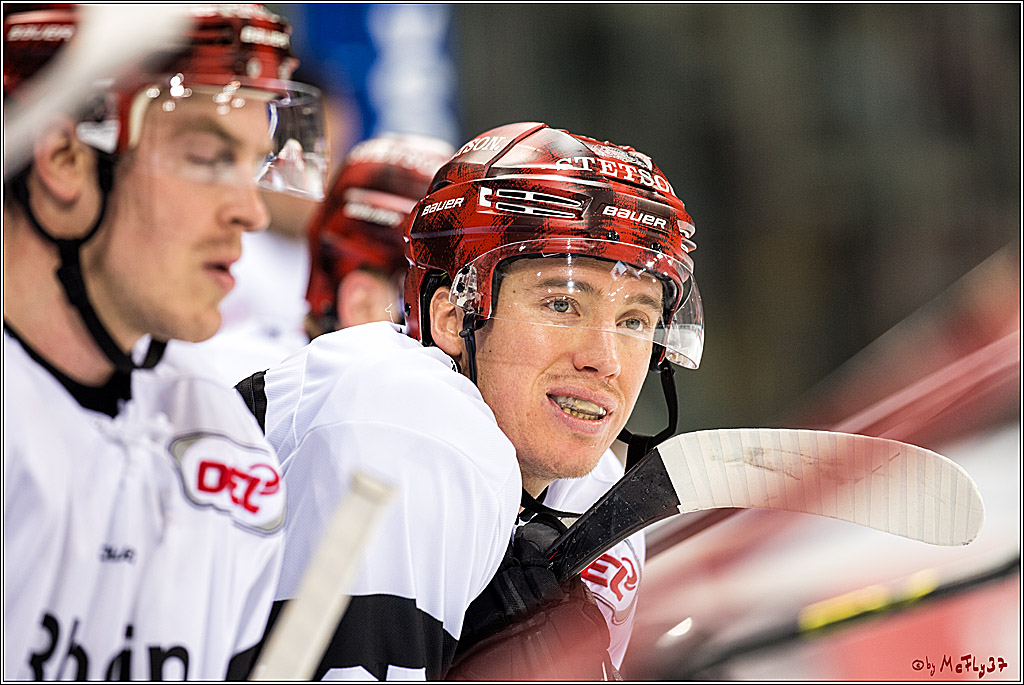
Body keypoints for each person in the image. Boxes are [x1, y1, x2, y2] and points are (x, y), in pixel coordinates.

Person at [236, 121, 703, 679]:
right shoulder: (407, 416)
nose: (605, 359)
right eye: (561, 304)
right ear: (455, 318)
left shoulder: (593, 491)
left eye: (634, 320)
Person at [3, 4, 328, 680]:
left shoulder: (226, 437)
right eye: (210, 158)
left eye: (257, 161)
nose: (253, 210)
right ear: (64, 157)